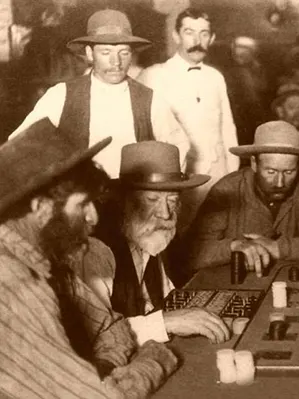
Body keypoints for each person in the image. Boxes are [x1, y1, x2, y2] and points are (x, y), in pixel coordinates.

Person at [0, 118, 178, 397]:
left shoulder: (46, 263)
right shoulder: (11, 281)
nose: (93, 218)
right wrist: (154, 360)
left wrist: (98, 374)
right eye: (82, 204)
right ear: (42, 208)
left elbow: (114, 329)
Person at [77, 141, 230, 346]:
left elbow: (163, 300)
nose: (165, 214)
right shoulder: (96, 251)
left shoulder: (149, 237)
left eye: (172, 201)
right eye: (151, 200)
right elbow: (97, 336)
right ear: (124, 201)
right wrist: (166, 323)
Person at [9, 9, 189, 179]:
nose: (116, 62)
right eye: (106, 52)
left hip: (133, 201)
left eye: (123, 52)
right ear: (89, 53)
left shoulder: (150, 100)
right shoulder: (61, 96)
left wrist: (158, 191)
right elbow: (19, 145)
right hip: (83, 204)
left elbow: (179, 146)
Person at [183, 121, 299, 275]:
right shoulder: (227, 191)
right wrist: (233, 246)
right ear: (254, 164)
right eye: (270, 172)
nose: (280, 183)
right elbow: (189, 255)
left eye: (289, 172)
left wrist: (278, 248)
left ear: (298, 166)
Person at [137, 8, 239, 228]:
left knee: (216, 238)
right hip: (178, 179)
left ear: (212, 38)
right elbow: (143, 133)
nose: (197, 40)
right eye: (189, 32)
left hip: (217, 176)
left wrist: (232, 177)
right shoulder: (154, 75)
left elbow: (228, 130)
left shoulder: (216, 77)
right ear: (176, 36)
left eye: (204, 33)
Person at [223, 36, 269, 146]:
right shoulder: (231, 73)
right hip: (239, 119)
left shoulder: (259, 70)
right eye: (237, 53)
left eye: (245, 52)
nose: (240, 56)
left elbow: (263, 91)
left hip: (257, 118)